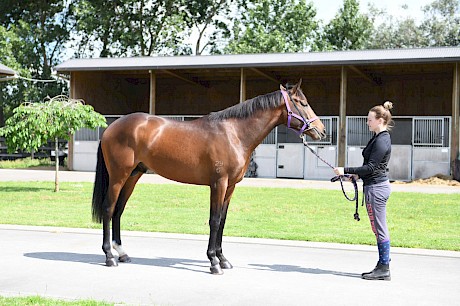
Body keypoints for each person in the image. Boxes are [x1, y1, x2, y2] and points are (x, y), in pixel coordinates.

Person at [334, 101, 394, 281]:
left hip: (377, 189)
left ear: (380, 120)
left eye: (370, 120)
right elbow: (370, 168)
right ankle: (383, 264)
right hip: (372, 186)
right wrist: (357, 176)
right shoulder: (377, 138)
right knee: (377, 228)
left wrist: (346, 170)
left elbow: (372, 167)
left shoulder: (382, 140)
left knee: (380, 228)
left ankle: (384, 267)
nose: (367, 122)